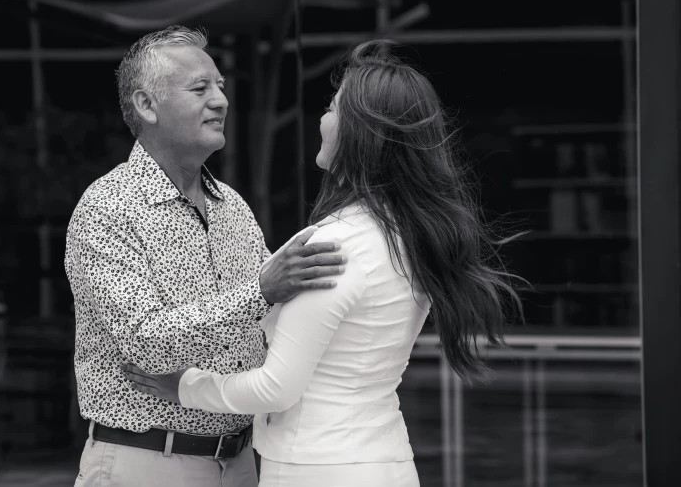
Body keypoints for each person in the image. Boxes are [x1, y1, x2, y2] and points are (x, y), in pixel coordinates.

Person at [123, 40, 524, 487]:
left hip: (318, 467)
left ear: (361, 132)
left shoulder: (337, 246)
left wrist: (182, 385)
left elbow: (276, 388)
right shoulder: (403, 232)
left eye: (333, 108)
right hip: (384, 459)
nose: (322, 119)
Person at [64, 25, 348, 487]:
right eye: (200, 88)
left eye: (220, 86)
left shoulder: (231, 205)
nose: (221, 100)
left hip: (240, 464)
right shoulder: (107, 208)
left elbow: (274, 320)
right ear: (146, 105)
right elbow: (145, 343)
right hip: (147, 462)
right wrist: (260, 292)